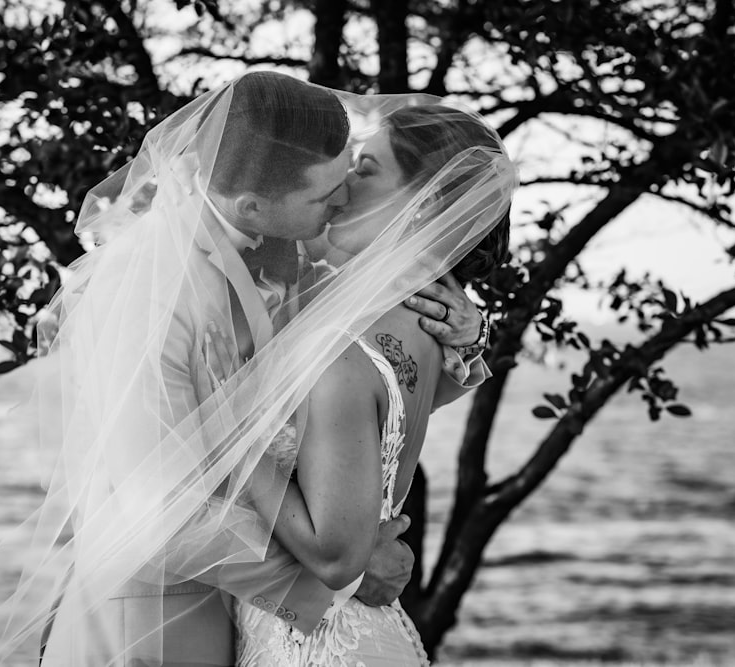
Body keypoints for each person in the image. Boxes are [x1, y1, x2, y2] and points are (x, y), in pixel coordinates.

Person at [0, 72, 503, 666]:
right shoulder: (151, 293)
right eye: (327, 191)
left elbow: (372, 394)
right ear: (255, 201)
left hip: (241, 627)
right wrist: (340, 580)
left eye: (356, 171)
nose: (341, 198)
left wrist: (470, 337)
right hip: (151, 625)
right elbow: (153, 505)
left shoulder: (284, 243)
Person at [218, 102, 514, 665]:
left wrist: (230, 432)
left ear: (425, 203)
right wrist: (473, 342)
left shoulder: (347, 350)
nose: (342, 181)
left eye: (367, 168)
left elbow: (335, 555)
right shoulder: (423, 321)